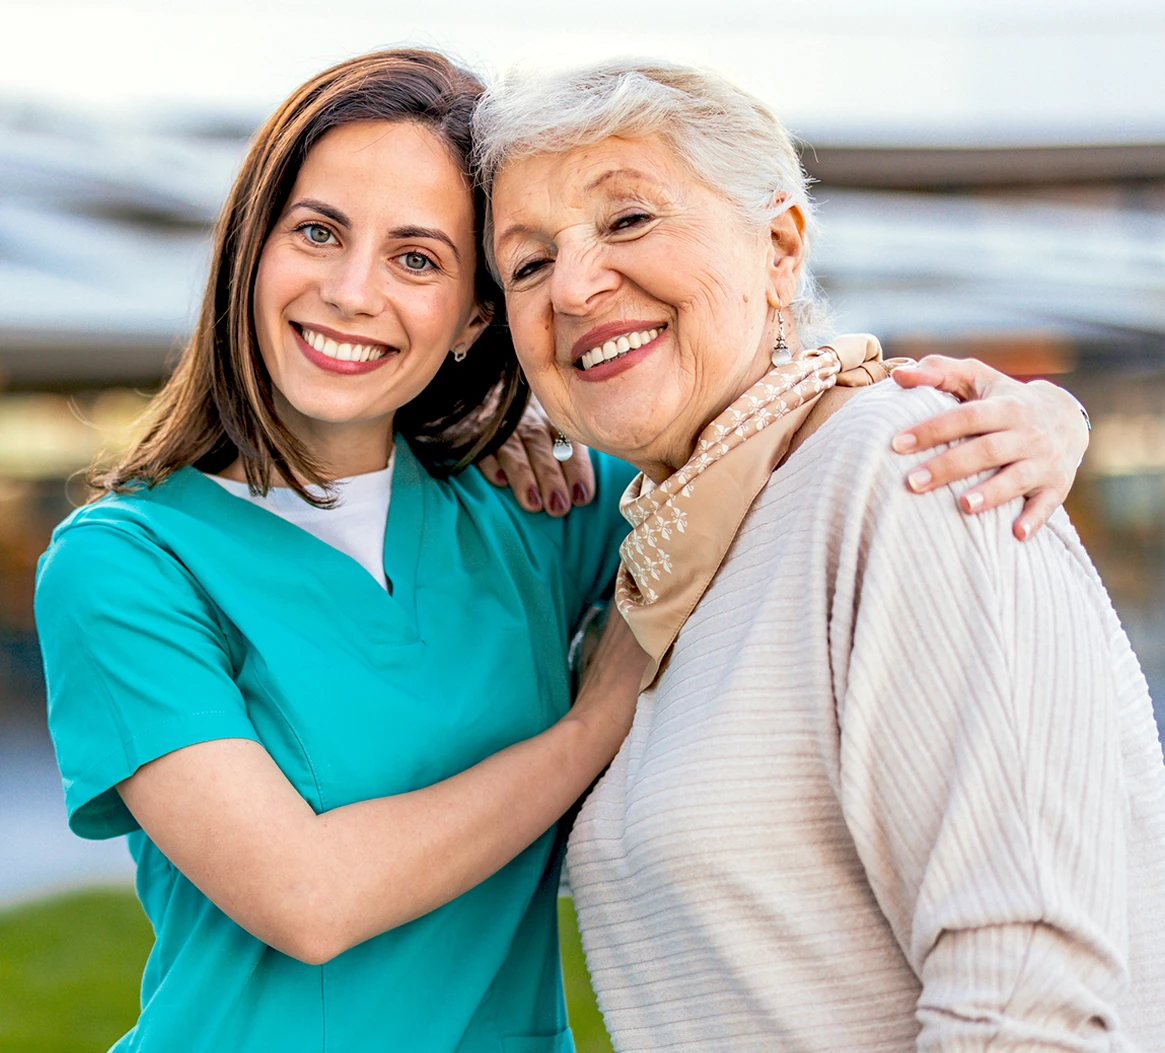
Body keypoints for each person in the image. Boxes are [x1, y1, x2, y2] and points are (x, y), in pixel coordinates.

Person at [35, 47, 1092, 1053]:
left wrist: (1038, 414)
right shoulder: (125, 564)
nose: (354, 291)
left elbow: (759, 428)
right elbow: (309, 898)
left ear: (469, 317)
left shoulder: (542, 507)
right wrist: (596, 722)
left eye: (417, 257)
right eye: (316, 232)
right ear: (247, 248)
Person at [476, 57, 1165, 1051]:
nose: (576, 286)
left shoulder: (914, 471)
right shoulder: (667, 549)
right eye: (528, 263)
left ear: (779, 248)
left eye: (628, 220)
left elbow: (1024, 1002)